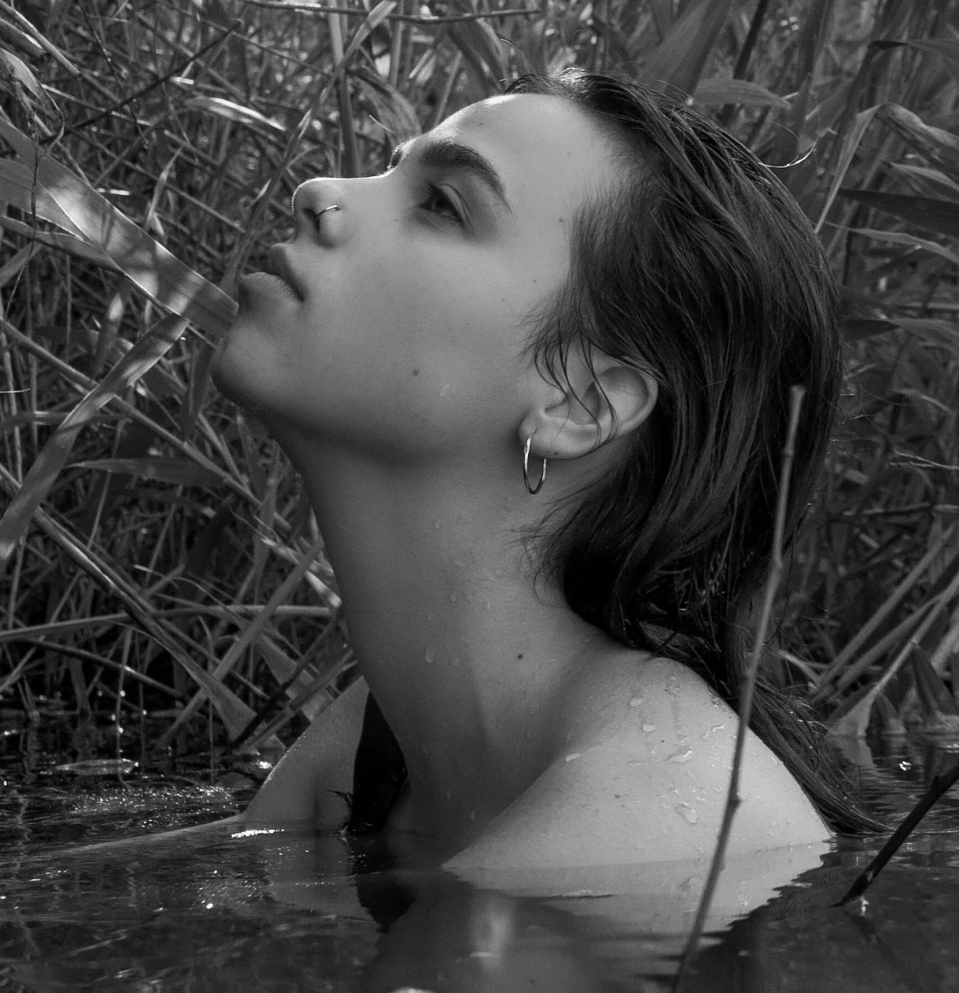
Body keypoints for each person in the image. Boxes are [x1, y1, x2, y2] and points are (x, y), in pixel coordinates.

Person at [212, 68, 863, 891]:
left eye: (442, 203)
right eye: (393, 167)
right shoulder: (379, 739)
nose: (318, 190)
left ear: (581, 401)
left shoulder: (652, 806)